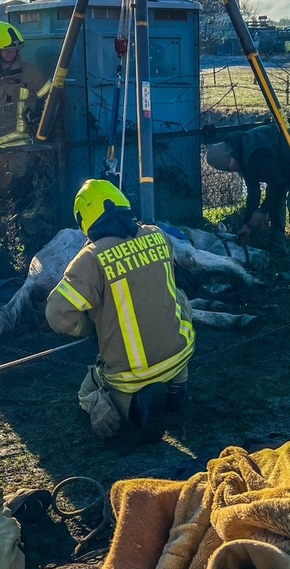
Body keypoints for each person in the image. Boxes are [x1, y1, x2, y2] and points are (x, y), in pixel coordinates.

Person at [45, 179, 195, 445]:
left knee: (86, 390)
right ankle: (177, 386)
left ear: (85, 222)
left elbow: (57, 313)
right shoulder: (157, 236)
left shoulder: (91, 258)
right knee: (177, 300)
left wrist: (89, 328)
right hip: (180, 352)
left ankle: (133, 406)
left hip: (131, 372)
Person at [0, 21, 51, 253]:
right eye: (6, 50)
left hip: (19, 147)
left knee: (21, 193)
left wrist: (40, 121)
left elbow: (52, 98)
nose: (11, 54)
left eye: (14, 50)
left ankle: (26, 239)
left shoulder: (30, 73)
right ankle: (4, 242)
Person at [206, 122, 290, 280]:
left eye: (231, 167)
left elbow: (278, 184)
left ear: (230, 156)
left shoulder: (255, 154)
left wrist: (262, 212)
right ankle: (278, 246)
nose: (232, 170)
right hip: (286, 154)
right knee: (275, 196)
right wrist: (246, 224)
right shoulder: (241, 150)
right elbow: (253, 193)